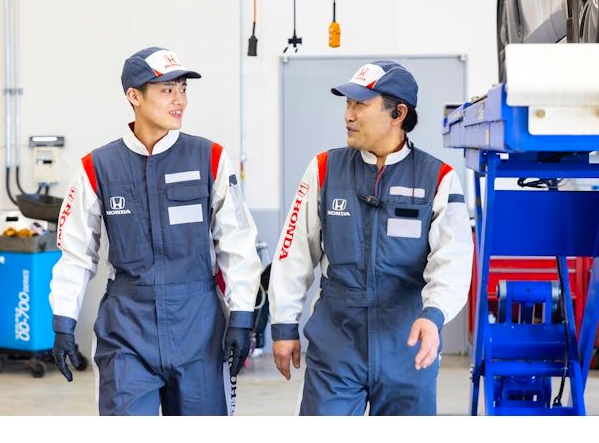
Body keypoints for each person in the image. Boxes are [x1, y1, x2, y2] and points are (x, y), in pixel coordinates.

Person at [49, 47, 261, 415]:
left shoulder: (210, 158)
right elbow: (76, 251)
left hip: (198, 328)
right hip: (127, 329)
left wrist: (242, 317)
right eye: (167, 90)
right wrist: (63, 321)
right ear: (134, 96)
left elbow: (237, 243)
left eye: (183, 89)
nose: (180, 100)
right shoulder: (96, 167)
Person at [269, 60, 473, 415]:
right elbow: (294, 250)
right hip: (337, 342)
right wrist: (284, 324)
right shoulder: (324, 169)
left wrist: (434, 315)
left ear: (398, 113)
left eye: (360, 105)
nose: (348, 115)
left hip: (408, 343)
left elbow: (453, 259)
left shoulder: (438, 177)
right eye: (347, 104)